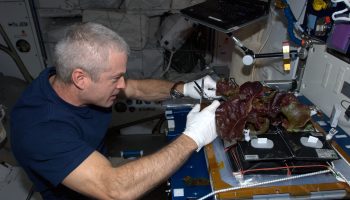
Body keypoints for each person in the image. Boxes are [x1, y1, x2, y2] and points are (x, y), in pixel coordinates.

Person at [10, 22, 220, 200]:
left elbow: (135, 87)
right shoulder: (39, 130)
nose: (122, 84)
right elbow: (114, 189)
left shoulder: (68, 81)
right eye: (114, 78)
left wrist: (183, 89)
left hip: (101, 165)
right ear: (80, 79)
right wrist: (194, 137)